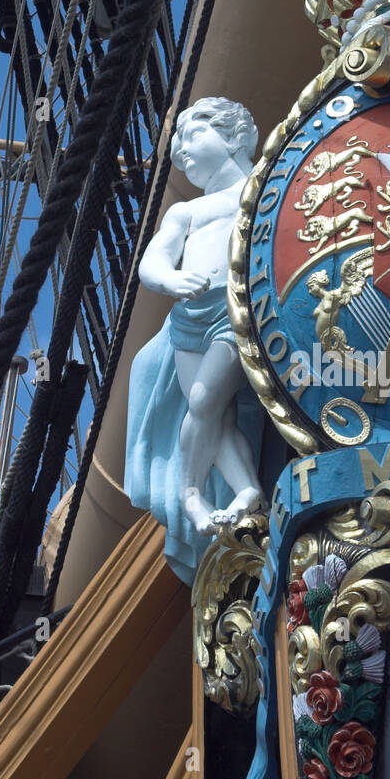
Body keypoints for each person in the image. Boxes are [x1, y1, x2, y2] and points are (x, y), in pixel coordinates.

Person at [124, 97, 265, 585]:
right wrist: (169, 281)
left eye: (190, 136)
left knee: (205, 400)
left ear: (233, 135)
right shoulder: (187, 210)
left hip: (237, 313)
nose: (179, 151)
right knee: (210, 414)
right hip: (189, 318)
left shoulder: (268, 186)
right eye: (176, 144)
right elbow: (152, 261)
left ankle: (192, 491)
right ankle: (235, 490)